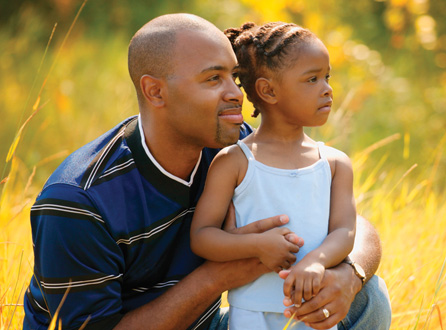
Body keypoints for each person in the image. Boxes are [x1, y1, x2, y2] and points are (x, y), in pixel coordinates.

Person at [23, 13, 391, 330]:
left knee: (366, 294)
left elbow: (352, 226)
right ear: (155, 91)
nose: (236, 93)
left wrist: (349, 275)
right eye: (213, 79)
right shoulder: (78, 202)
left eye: (234, 76)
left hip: (207, 322)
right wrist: (220, 276)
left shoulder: (239, 147)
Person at [190, 22, 355, 330]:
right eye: (312, 79)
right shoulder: (235, 162)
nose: (328, 89)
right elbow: (202, 237)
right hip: (253, 314)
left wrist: (315, 261)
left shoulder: (334, 164)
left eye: (327, 77)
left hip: (314, 310)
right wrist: (257, 246)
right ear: (268, 90)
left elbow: (344, 231)